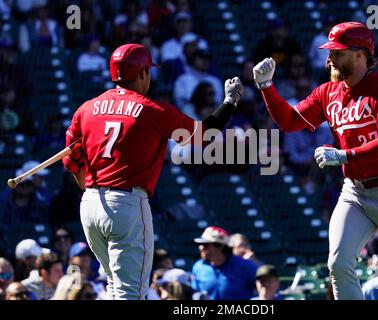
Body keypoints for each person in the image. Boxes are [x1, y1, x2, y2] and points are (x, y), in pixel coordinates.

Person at [252, 21, 378, 300]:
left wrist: (346, 155)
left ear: (359, 54)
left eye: (337, 51)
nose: (329, 57)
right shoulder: (327, 92)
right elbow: (289, 121)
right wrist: (266, 86)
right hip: (354, 190)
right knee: (338, 263)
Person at [62, 43, 244, 300]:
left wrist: (87, 185)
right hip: (125, 204)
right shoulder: (152, 110)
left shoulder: (86, 108)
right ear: (143, 73)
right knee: (131, 293)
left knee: (114, 286)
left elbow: (71, 161)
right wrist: (229, 102)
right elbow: (204, 135)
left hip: (90, 204)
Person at [191, 226, 258, 300]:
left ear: (220, 246)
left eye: (206, 245)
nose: (201, 248)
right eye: (200, 245)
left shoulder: (246, 266)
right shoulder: (198, 267)